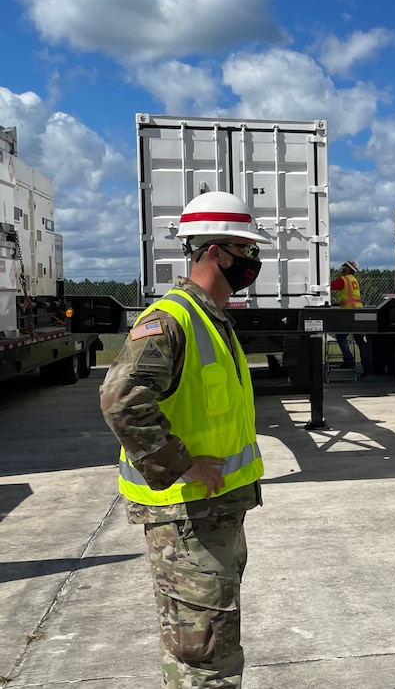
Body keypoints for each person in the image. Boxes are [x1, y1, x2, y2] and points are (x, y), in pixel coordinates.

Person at [100, 191, 269, 688]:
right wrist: (182, 464)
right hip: (187, 515)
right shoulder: (172, 319)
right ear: (215, 252)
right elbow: (120, 400)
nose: (253, 262)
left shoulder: (212, 320)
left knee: (211, 645)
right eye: (246, 250)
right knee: (204, 657)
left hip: (213, 512)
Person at [331, 259, 373, 377]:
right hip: (358, 312)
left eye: (344, 266)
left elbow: (330, 286)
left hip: (348, 313)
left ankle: (349, 360)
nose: (342, 268)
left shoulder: (343, 279)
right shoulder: (354, 280)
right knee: (360, 341)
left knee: (341, 337)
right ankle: (367, 367)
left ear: (348, 269)